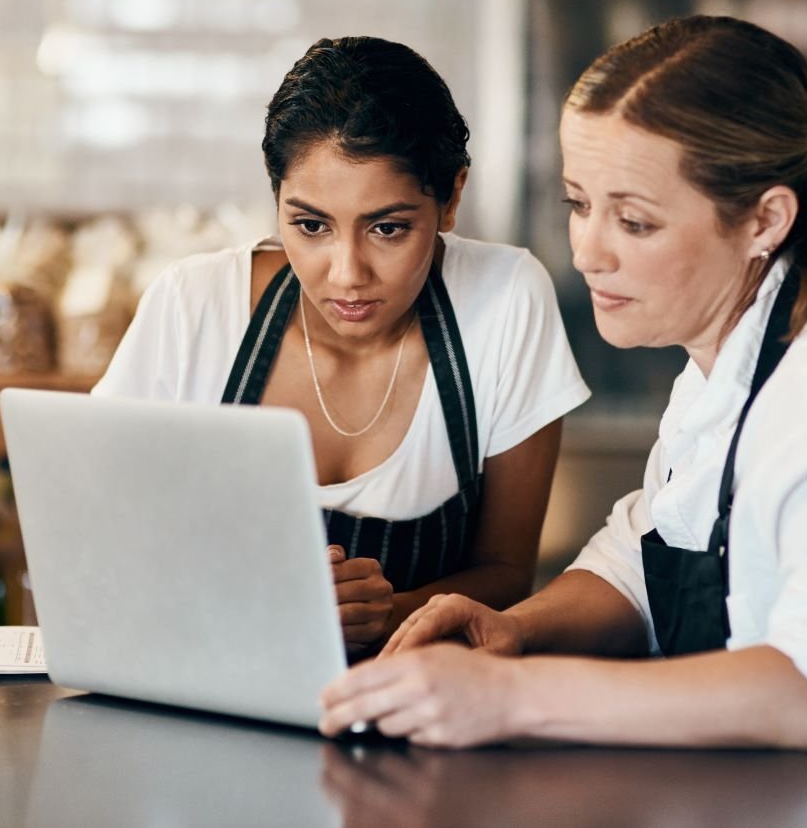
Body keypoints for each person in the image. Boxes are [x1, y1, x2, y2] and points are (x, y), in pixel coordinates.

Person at [318, 16, 807, 823]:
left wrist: (515, 697)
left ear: (764, 220)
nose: (588, 251)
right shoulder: (726, 365)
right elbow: (649, 550)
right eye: (578, 204)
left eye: (634, 221)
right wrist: (513, 631)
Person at [94, 36, 590, 656]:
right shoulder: (193, 308)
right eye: (310, 226)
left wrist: (388, 616)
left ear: (451, 198)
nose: (348, 273)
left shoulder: (506, 298)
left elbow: (507, 570)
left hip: (420, 708)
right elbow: (104, 543)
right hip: (203, 690)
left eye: (388, 228)